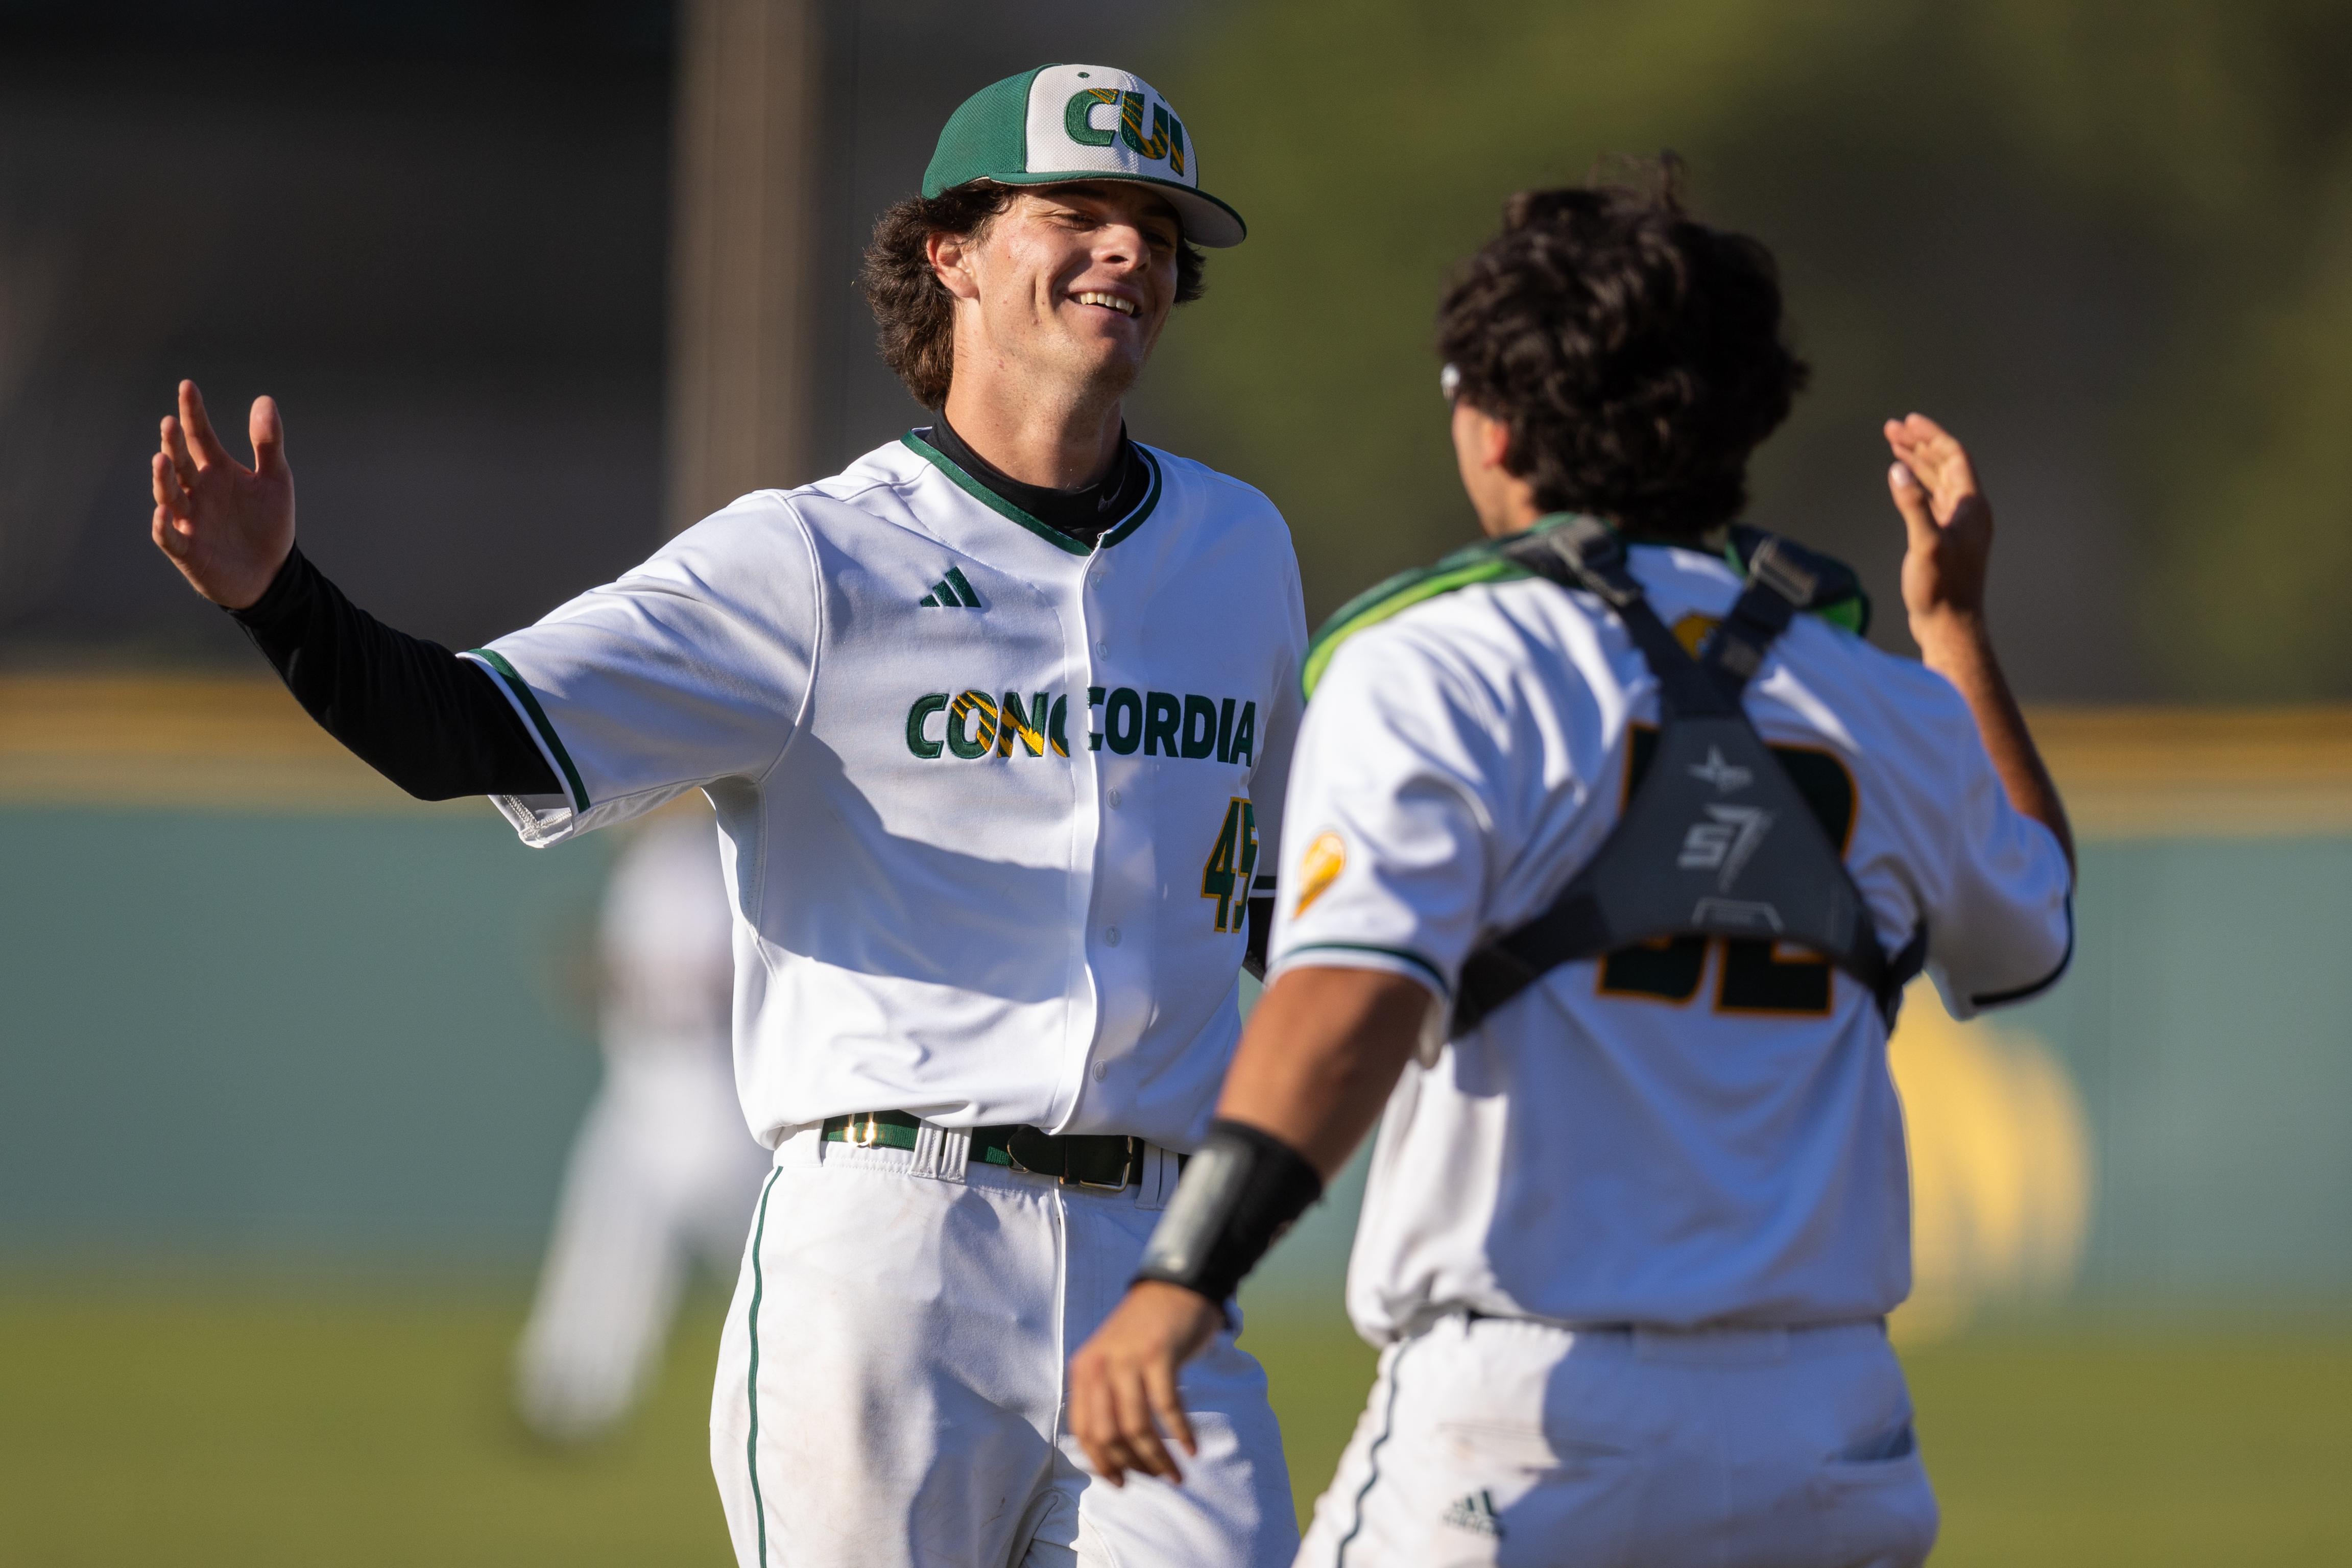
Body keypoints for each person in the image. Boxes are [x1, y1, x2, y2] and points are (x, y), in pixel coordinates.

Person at [147, 64, 1304, 1568]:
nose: (1128, 254)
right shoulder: (812, 562)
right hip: (894, 1253)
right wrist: (277, 601)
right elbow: (467, 730)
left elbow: (1281, 896)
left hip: (1159, 1261)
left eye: (1155, 226)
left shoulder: (1238, 549)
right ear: (949, 250)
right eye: (1077, 213)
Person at [1068, 163, 2075, 1568]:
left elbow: (1343, 1006)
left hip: (1532, 1416)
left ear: (1488, 426)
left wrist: (1181, 1273)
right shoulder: (1882, 693)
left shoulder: (1429, 665)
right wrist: (1953, 626)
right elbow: (2030, 930)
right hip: (1832, 1431)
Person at [513, 804, 769, 1443]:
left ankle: (811, 1369)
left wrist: (617, 974)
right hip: (638, 1086)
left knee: (763, 1254)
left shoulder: (693, 862)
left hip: (702, 1087)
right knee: (603, 1235)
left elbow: (708, 975)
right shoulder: (645, 868)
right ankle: (567, 1389)